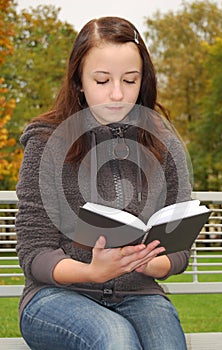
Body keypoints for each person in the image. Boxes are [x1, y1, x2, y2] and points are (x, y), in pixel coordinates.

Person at [16, 16, 192, 350]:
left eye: (130, 80)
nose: (117, 93)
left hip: (140, 293)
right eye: (101, 80)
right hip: (56, 297)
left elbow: (180, 247)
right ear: (79, 81)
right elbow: (34, 252)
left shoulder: (164, 143)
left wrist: (151, 262)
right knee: (115, 337)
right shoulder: (45, 142)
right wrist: (92, 272)